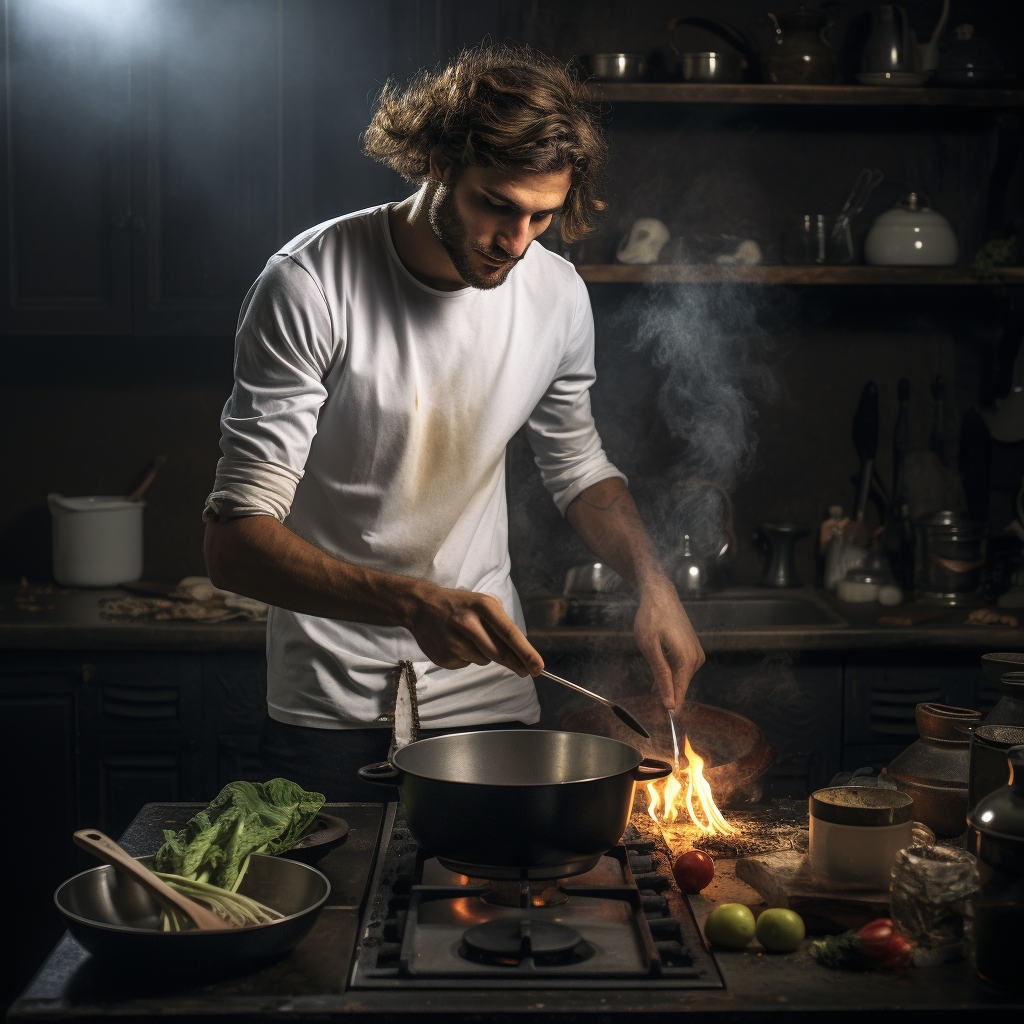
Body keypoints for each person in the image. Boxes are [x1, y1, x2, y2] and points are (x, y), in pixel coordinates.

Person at [203, 45, 704, 800]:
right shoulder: (309, 287)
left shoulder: (558, 294)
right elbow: (233, 546)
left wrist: (652, 582)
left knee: (499, 916)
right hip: (331, 710)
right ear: (438, 163)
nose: (514, 242)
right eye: (496, 205)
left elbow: (579, 470)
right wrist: (412, 602)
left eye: (541, 216)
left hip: (489, 703)